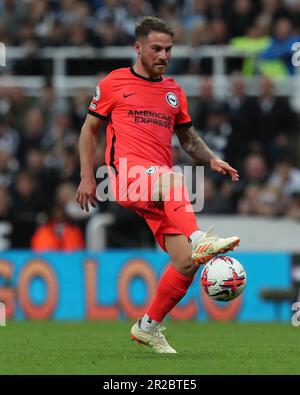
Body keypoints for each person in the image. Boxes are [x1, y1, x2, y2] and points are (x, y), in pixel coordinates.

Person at [76, 16, 240, 354]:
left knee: (184, 264)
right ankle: (200, 239)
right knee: (173, 179)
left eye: (168, 49)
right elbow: (89, 130)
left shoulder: (174, 92)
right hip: (124, 177)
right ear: (138, 48)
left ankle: (147, 326)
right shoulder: (113, 83)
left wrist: (210, 158)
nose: (163, 55)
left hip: (157, 190)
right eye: (156, 48)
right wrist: (87, 176)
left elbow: (187, 137)